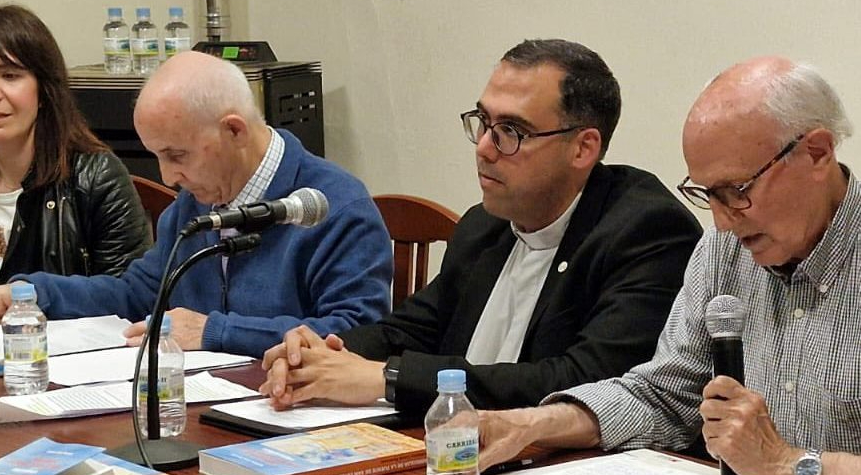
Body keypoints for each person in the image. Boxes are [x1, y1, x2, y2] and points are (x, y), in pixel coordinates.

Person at [478, 56, 861, 475]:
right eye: (705, 195)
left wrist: (788, 466)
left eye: (736, 191)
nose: (721, 221)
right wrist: (531, 423)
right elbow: (665, 396)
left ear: (816, 153)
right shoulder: (725, 250)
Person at [259, 39, 701, 413]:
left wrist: (387, 378)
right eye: (484, 122)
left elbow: (583, 380)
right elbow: (410, 331)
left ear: (583, 148)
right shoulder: (484, 225)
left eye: (511, 131)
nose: (484, 148)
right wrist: (320, 351)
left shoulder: (648, 232)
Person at [0, 51, 393, 357]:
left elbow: (357, 334)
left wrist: (215, 332)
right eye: (157, 156)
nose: (167, 177)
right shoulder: (193, 205)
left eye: (177, 155)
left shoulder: (334, 206)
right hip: (206, 407)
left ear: (234, 131)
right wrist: (35, 294)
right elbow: (137, 294)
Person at [0, 4, 149, 317]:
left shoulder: (98, 177)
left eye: (9, 75)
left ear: (43, 89)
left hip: (70, 349)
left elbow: (131, 305)